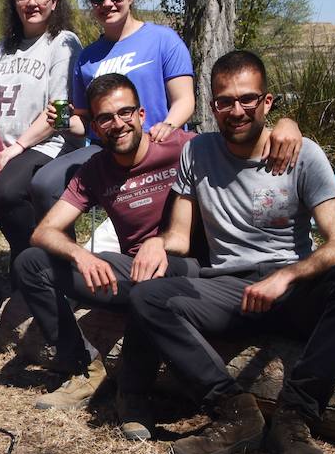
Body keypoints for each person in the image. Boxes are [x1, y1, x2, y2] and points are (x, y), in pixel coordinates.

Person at [127, 51, 335, 454]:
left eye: (248, 99)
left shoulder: (305, 154)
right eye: (225, 101)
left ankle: (294, 419)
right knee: (148, 297)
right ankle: (235, 413)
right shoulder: (198, 153)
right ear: (212, 107)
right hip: (231, 290)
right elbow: (178, 234)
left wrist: (286, 276)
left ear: (267, 102)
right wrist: (158, 243)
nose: (237, 110)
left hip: (292, 291)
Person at [29, 0, 302, 222]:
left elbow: (185, 100)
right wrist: (60, 119)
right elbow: (85, 122)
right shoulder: (87, 58)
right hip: (106, 149)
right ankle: (63, 263)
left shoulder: (163, 40)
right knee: (44, 184)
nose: (107, 3)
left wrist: (169, 125)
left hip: (158, 145)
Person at [13, 73, 200, 420]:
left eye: (125, 113)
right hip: (131, 271)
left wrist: (288, 126)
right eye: (105, 118)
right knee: (30, 262)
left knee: (150, 281)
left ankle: (134, 393)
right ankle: (83, 368)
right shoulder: (95, 169)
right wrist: (80, 254)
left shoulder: (182, 146)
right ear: (96, 127)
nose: (118, 124)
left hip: (186, 268)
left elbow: (242, 144)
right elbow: (44, 231)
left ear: (142, 115)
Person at [0, 0, 84, 263]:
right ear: (14, 3)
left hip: (48, 145)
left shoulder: (62, 43)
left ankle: (46, 262)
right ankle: (33, 272)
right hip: (1, 153)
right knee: (6, 204)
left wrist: (20, 146)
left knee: (8, 193)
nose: (31, 3)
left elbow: (59, 112)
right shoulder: (1, 49)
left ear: (54, 2)